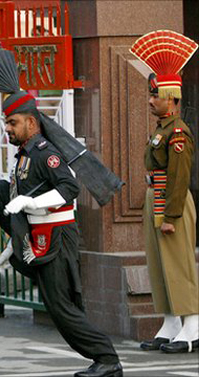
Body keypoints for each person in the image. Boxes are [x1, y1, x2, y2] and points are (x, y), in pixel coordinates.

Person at [0, 46, 123, 377]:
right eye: (6, 122)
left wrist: (30, 202)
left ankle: (107, 359)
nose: (7, 128)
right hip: (39, 234)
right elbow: (17, 199)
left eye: (12, 122)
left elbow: (69, 188)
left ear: (31, 122)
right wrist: (13, 240)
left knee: (62, 309)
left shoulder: (45, 154)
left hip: (57, 237)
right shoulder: (25, 153)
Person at [131, 30, 198, 354]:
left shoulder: (178, 133)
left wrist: (170, 215)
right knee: (159, 265)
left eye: (155, 94)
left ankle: (193, 324)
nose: (150, 99)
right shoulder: (162, 130)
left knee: (178, 264)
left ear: (171, 97)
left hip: (171, 202)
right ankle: (171, 321)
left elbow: (179, 178)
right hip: (155, 198)